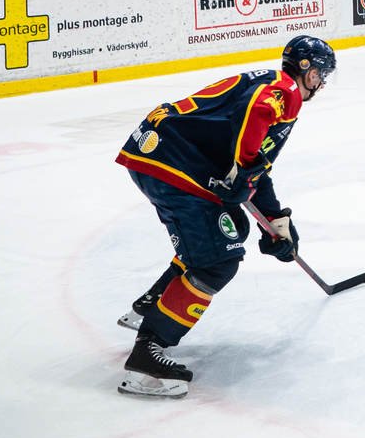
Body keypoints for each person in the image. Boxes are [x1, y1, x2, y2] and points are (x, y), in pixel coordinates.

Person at [113, 35, 338, 398]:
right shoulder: (284, 92)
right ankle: (146, 358)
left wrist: (275, 219)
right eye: (320, 75)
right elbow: (259, 116)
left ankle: (151, 307)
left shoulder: (272, 83)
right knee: (218, 260)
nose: (322, 83)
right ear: (306, 69)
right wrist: (245, 169)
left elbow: (257, 167)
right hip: (171, 162)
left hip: (163, 152)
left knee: (233, 227)